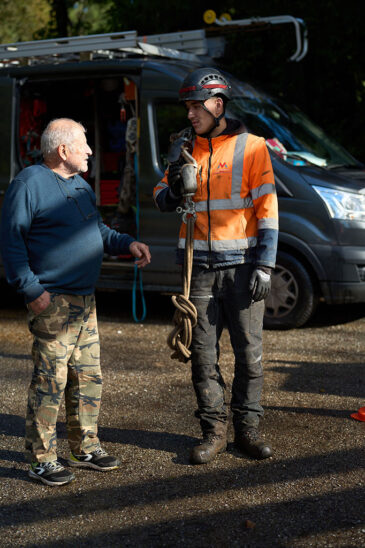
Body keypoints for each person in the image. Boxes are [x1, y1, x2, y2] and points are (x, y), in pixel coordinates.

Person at [0, 118, 151, 486]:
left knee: (87, 378)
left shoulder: (81, 186)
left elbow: (95, 230)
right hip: (54, 302)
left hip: (86, 301)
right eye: (84, 144)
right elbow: (10, 242)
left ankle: (84, 447)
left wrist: (126, 244)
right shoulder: (28, 184)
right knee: (49, 381)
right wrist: (33, 291)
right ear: (63, 150)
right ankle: (41, 458)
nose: (90, 150)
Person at [154, 68, 278, 464]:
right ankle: (214, 433)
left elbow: (268, 211)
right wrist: (174, 183)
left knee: (250, 354)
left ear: (217, 105)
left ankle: (247, 430)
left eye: (196, 106)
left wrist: (265, 265)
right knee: (203, 355)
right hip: (199, 269)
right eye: (188, 106)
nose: (190, 114)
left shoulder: (253, 147)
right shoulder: (183, 147)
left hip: (242, 267)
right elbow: (160, 195)